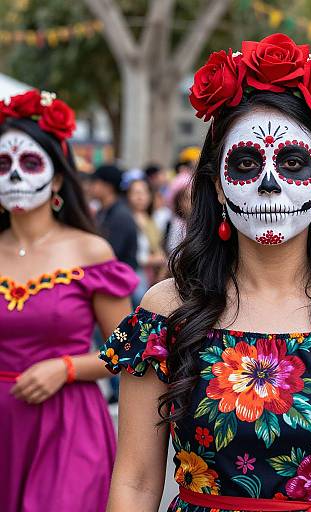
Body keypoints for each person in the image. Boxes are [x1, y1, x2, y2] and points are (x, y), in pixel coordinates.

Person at [99, 35, 311, 512]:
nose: (267, 185)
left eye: (293, 163)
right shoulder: (166, 310)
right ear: (217, 186)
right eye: (244, 163)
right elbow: (135, 482)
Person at [0, 90, 138, 511]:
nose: (15, 176)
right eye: (3, 164)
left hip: (69, 425)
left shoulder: (90, 252)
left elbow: (128, 350)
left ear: (58, 178)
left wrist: (66, 368)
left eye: (30, 163)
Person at [90, 163, 138, 269]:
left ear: (108, 187)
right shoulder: (103, 211)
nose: (91, 187)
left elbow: (113, 252)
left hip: (122, 277)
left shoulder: (120, 215)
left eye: (95, 182)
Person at [125, 177, 166, 296]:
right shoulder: (127, 219)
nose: (140, 197)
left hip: (152, 273)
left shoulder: (150, 220)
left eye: (144, 192)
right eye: (136, 193)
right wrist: (152, 259)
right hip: (136, 271)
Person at [164, 170, 192, 254]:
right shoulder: (176, 224)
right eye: (186, 198)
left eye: (193, 197)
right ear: (178, 201)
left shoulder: (197, 223)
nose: (191, 202)